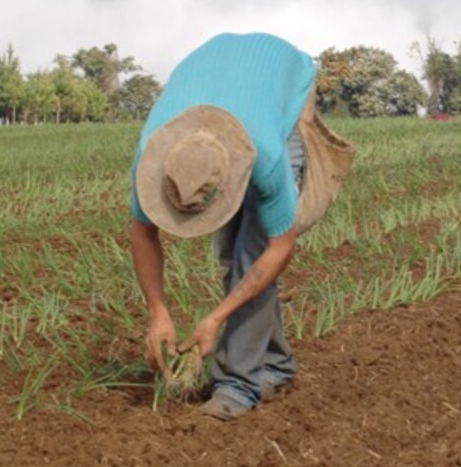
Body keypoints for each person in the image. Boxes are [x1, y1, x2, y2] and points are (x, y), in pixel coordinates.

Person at [129, 32, 353, 421]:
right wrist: (158, 313)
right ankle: (276, 366)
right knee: (233, 254)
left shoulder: (265, 153)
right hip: (220, 73)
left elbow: (278, 248)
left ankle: (238, 386)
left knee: (250, 252)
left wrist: (216, 319)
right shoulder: (154, 152)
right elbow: (143, 231)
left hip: (283, 82)